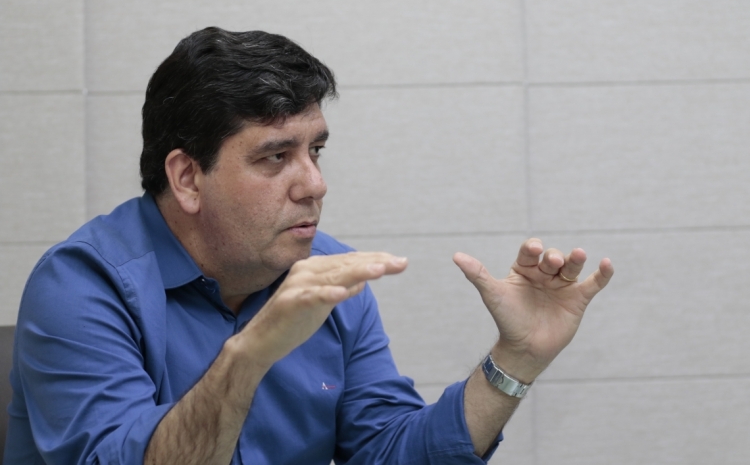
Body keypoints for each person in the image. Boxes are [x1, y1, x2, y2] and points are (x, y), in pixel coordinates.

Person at [3, 27, 614, 465]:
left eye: (315, 151)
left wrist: (516, 360)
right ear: (188, 177)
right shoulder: (81, 285)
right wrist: (251, 354)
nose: (315, 184)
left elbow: (385, 450)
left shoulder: (325, 275)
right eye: (275, 157)